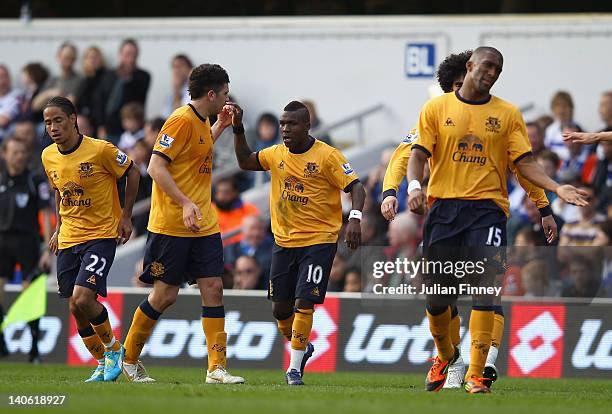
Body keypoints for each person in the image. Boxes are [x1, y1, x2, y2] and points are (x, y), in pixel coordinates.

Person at [407, 46, 588, 394]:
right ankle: (445, 355)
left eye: (498, 69)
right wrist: (414, 186)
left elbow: (524, 164)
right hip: (443, 210)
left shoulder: (507, 114)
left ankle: (477, 374)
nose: (492, 73)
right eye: (487, 66)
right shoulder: (436, 108)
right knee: (437, 298)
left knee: (484, 290)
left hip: (487, 211)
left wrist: (554, 190)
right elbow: (417, 155)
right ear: (472, 65)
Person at [121, 64, 244, 384]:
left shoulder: (203, 121)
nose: (228, 99)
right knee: (165, 295)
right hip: (172, 223)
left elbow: (197, 155)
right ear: (212, 93)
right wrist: (186, 202)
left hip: (203, 222)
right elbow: (155, 167)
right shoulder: (180, 119)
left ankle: (217, 368)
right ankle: (129, 359)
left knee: (214, 288)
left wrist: (220, 126)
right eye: (226, 94)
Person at [232, 99, 365, 385]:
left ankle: (293, 369)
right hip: (283, 242)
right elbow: (244, 161)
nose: (285, 129)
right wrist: (238, 128)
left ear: (307, 125)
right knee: (280, 310)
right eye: (282, 123)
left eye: (291, 124)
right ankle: (302, 348)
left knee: (304, 302)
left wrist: (354, 218)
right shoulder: (276, 154)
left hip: (319, 241)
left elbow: (357, 186)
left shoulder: (327, 156)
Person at [41, 96, 140, 382]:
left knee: (84, 298)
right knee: (74, 305)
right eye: (48, 122)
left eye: (58, 120)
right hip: (69, 236)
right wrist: (59, 228)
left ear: (73, 119)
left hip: (100, 235)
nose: (53, 127)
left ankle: (113, 349)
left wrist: (126, 215)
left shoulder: (100, 150)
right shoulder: (48, 155)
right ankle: (101, 360)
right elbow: (59, 191)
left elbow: (132, 172)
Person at [0, 136, 53, 361]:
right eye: (15, 152)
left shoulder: (35, 180)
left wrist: (47, 249)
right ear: (5, 154)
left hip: (28, 242)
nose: (19, 156)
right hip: (1, 242)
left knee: (30, 296)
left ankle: (34, 349)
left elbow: (46, 214)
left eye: (22, 152)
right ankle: (2, 342)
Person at [98, 39, 150, 144]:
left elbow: (138, 99)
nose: (130, 58)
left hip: (130, 128)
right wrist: (100, 125)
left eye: (133, 55)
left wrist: (128, 78)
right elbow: (100, 100)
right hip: (109, 127)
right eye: (127, 54)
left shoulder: (143, 76)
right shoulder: (108, 75)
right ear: (120, 55)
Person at [32, 42, 83, 112]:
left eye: (72, 58)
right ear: (58, 57)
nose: (69, 61)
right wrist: (49, 93)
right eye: (66, 57)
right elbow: (35, 105)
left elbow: (72, 102)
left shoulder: (80, 80)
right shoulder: (52, 80)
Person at [213, 176, 259, 246]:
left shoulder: (249, 209)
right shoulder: (209, 212)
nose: (221, 196)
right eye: (219, 192)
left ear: (235, 193)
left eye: (226, 192)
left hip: (246, 246)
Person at [162, 54, 193, 118]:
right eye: (174, 67)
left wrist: (177, 91)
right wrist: (176, 90)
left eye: (180, 66)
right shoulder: (171, 93)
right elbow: (166, 116)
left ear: (189, 68)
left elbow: (182, 115)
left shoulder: (193, 89)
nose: (176, 70)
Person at [0, 64, 22, 143]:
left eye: (4, 76)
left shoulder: (16, 95)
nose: (2, 81)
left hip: (6, 137)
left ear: (9, 78)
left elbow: (3, 121)